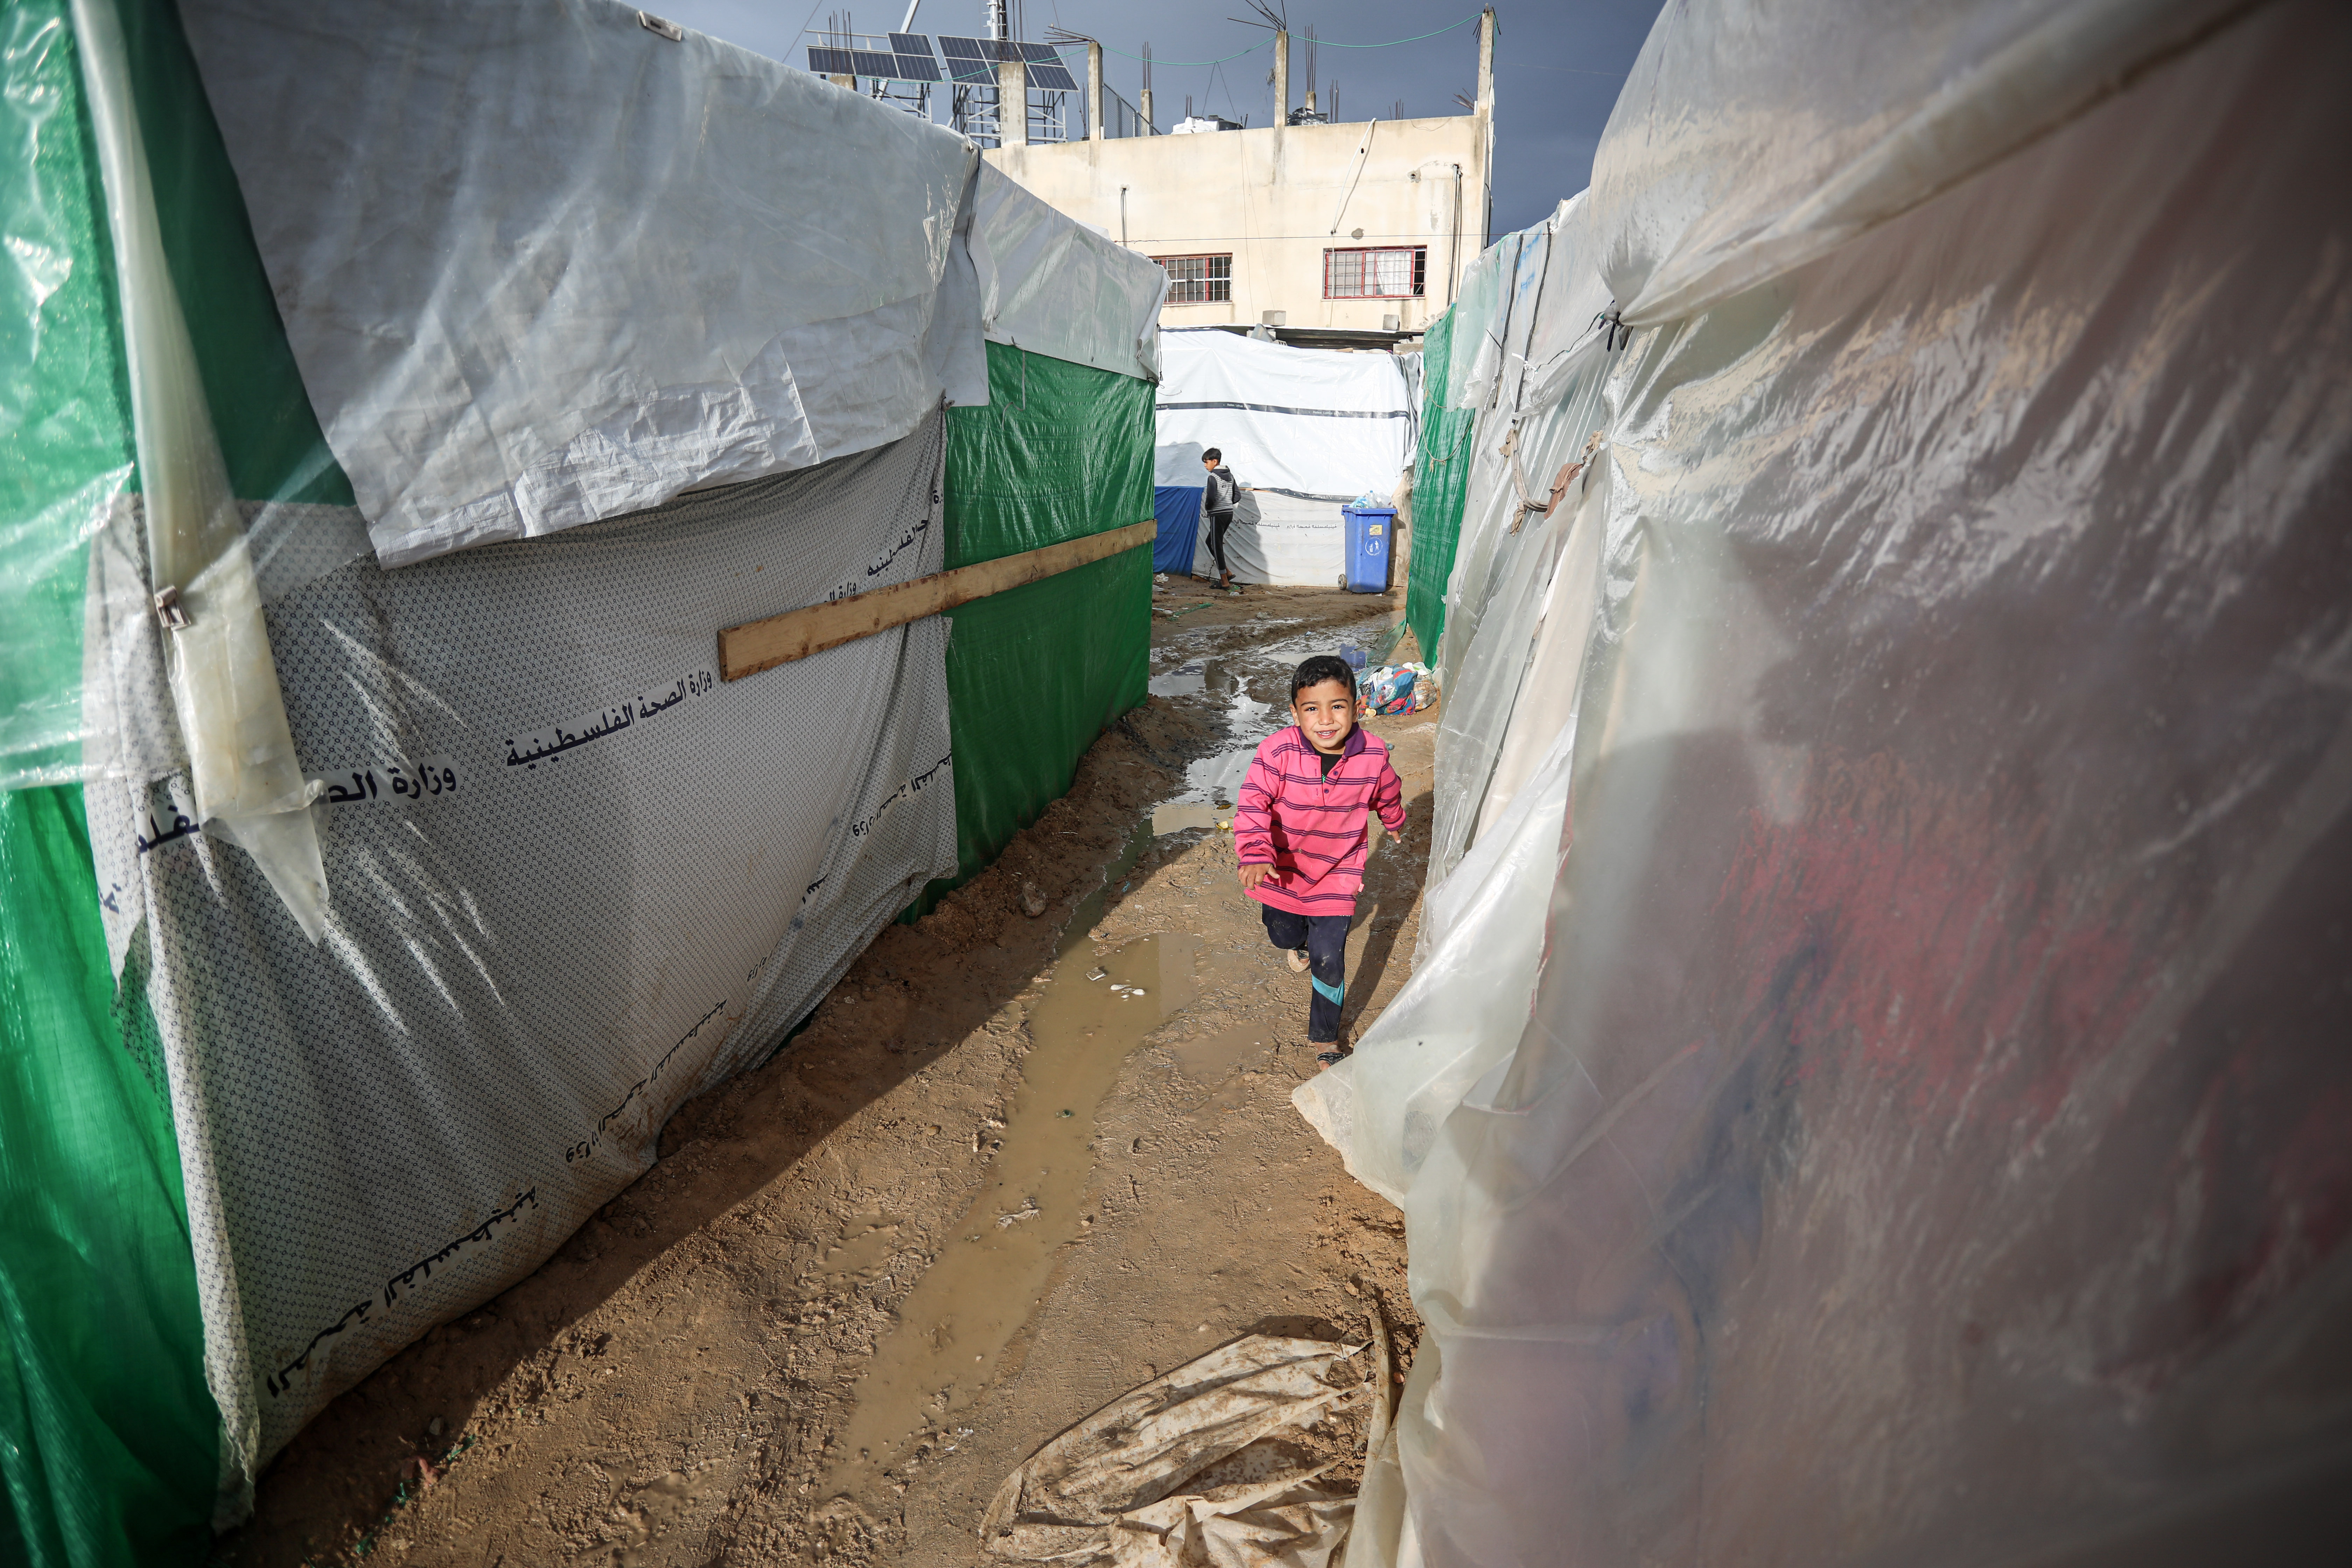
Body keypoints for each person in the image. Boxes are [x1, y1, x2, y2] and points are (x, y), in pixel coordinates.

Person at [1234, 654, 1407, 1065]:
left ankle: (1325, 1039)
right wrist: (1257, 852)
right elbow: (1253, 803)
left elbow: (1387, 791)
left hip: (1338, 873)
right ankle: (1299, 941)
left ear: (1357, 707)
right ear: (1295, 713)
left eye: (1338, 706)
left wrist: (1393, 818)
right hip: (1284, 869)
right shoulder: (1276, 753)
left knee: (1330, 957)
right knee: (1282, 934)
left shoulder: (1374, 754)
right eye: (1312, 709)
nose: (1326, 720)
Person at [1200, 448, 1242, 592]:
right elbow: (1237, 496)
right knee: (1211, 542)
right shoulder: (1230, 476)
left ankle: (1224, 580)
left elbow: (1211, 498)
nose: (1206, 466)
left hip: (1217, 514)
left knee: (1215, 545)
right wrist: (1226, 504)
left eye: (1206, 463)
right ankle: (1228, 573)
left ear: (1215, 462)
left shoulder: (1213, 477)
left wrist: (1209, 508)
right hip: (1228, 514)